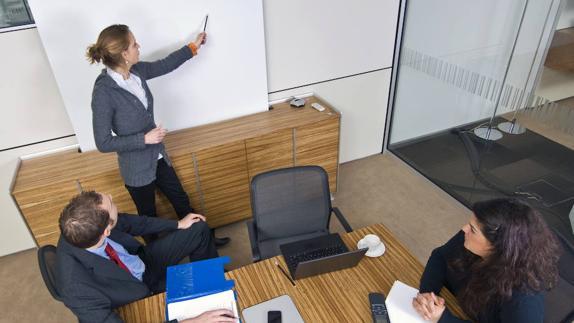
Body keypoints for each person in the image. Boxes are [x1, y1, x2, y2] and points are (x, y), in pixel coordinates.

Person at [86, 24, 229, 246]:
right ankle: (158, 259)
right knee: (148, 217)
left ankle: (204, 239)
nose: (138, 46)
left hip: (157, 156)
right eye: (134, 43)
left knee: (181, 200)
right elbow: (103, 142)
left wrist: (193, 46)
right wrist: (144, 139)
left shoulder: (136, 71)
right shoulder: (104, 92)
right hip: (136, 168)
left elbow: (165, 65)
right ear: (124, 53)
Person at [56, 191, 234, 323]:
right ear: (106, 231)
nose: (111, 195)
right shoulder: (76, 290)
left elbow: (132, 222)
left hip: (142, 260)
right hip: (137, 291)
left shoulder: (79, 223)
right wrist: (195, 321)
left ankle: (212, 279)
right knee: (204, 313)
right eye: (112, 203)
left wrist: (178, 224)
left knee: (198, 229)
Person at [413, 198, 561, 323]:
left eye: (473, 229)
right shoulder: (468, 239)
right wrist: (428, 295)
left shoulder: (524, 299)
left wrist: (443, 318)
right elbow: (440, 257)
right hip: (451, 304)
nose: (464, 229)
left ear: (499, 247)